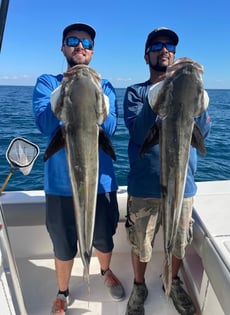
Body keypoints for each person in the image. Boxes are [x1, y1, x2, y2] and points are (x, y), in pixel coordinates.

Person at [33, 22, 125, 315]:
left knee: (102, 236)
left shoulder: (105, 84)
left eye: (86, 42)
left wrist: (93, 86)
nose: (80, 46)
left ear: (93, 51)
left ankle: (104, 271)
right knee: (62, 242)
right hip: (61, 185)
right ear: (63, 48)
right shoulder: (47, 82)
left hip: (101, 184)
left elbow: (109, 126)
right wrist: (66, 86)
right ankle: (63, 292)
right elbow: (46, 124)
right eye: (73, 40)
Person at [123, 27, 211, 315]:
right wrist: (157, 97)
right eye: (157, 45)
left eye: (170, 45)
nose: (165, 49)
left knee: (178, 241)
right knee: (141, 242)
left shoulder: (191, 91)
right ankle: (139, 286)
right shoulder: (136, 93)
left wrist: (197, 100)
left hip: (183, 187)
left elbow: (203, 134)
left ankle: (172, 282)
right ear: (146, 54)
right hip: (144, 188)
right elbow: (138, 132)